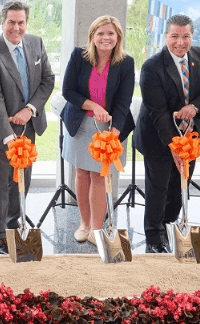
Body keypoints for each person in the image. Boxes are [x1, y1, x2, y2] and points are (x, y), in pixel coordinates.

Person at [134, 14, 200, 253]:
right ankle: (154, 237)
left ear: (192, 36)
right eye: (174, 36)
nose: (180, 42)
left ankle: (170, 224)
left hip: (190, 136)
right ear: (165, 37)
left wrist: (195, 107)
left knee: (180, 184)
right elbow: (158, 112)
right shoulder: (152, 66)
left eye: (185, 36)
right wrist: (174, 146)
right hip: (157, 136)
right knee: (158, 187)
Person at [0, 1, 54, 254]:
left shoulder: (36, 43)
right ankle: (0, 235)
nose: (16, 27)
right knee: (1, 185)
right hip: (2, 131)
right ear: (2, 22)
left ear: (26, 23)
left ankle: (15, 226)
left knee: (23, 181)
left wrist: (30, 109)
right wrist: (8, 135)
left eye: (21, 22)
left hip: (29, 128)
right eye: (11, 22)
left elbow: (48, 80)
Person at [61, 15, 135, 245]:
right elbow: (68, 91)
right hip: (81, 123)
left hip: (110, 126)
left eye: (111, 33)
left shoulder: (126, 62)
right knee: (82, 173)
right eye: (100, 33)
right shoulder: (79, 56)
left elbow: (124, 101)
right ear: (92, 36)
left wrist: (115, 131)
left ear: (118, 37)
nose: (106, 38)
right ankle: (84, 224)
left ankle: (96, 229)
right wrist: (93, 106)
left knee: (100, 175)